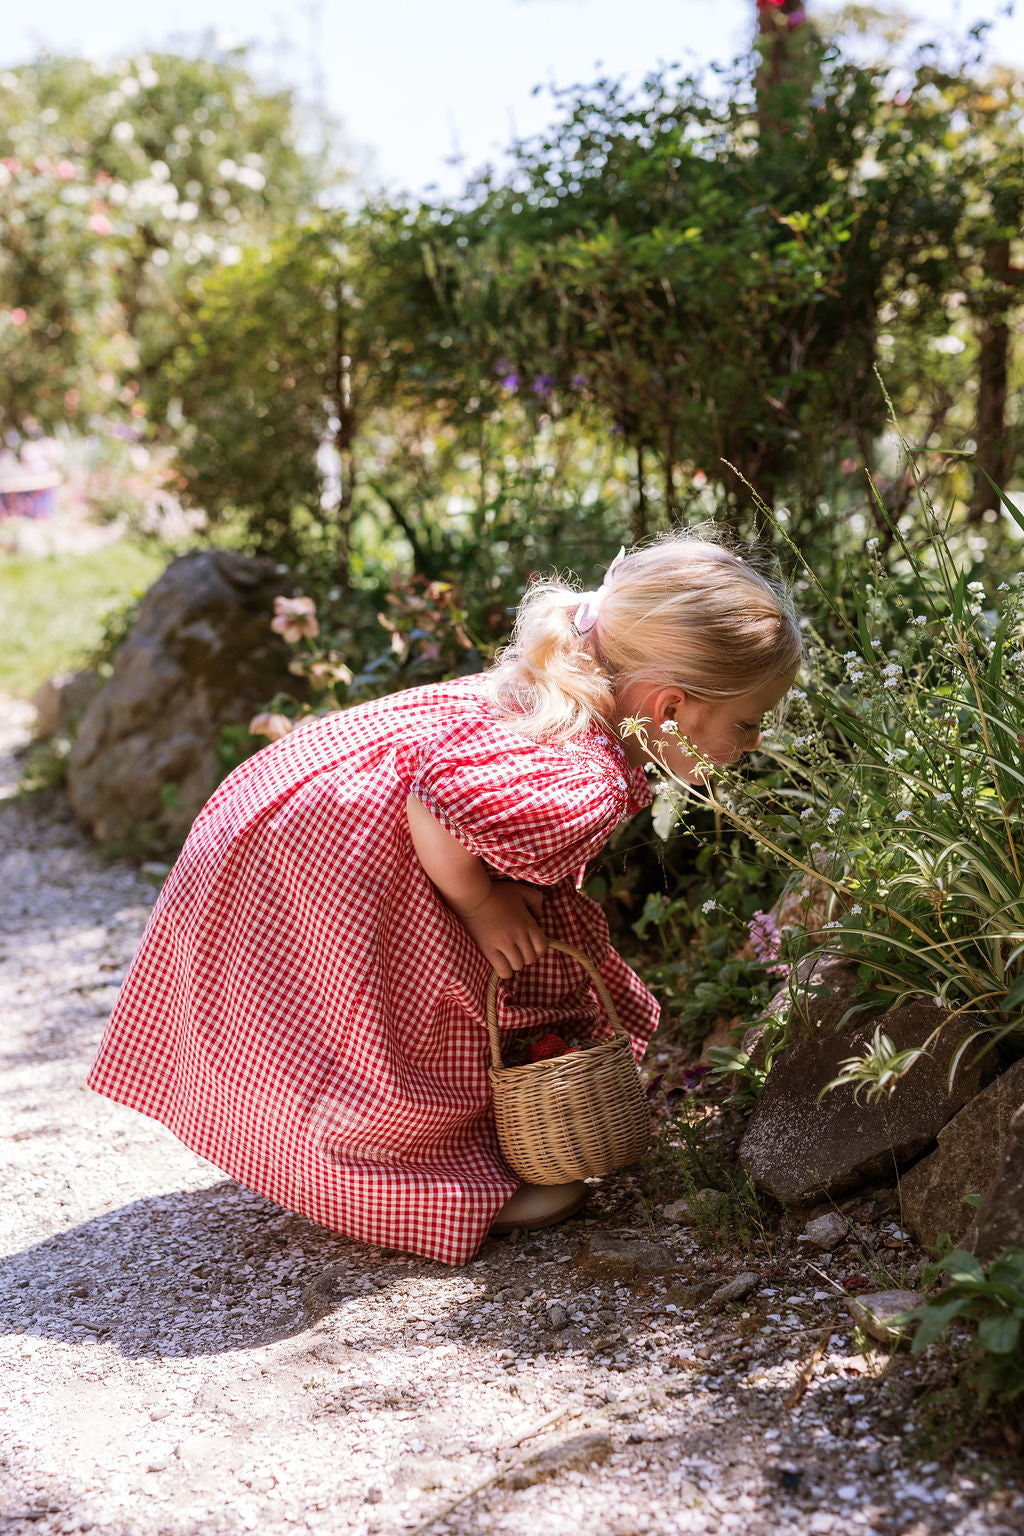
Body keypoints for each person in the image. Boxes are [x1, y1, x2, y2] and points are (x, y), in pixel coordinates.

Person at [88, 531, 801, 1266]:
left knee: (440, 979)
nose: (750, 744)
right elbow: (439, 802)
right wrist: (482, 905)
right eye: (747, 722)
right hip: (326, 846)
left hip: (305, 809)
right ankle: (414, 1177)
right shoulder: (584, 773)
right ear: (670, 706)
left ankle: (424, 1147)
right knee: (403, 1007)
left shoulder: (560, 696)